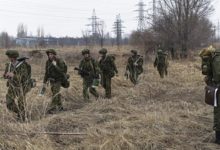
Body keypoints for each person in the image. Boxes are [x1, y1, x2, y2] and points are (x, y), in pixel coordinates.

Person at [200, 45, 220, 144]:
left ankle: (218, 139)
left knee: (218, 113)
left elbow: (206, 72)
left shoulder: (214, 55)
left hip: (218, 88)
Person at [3, 50, 30, 121]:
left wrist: (13, 76)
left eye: (11, 57)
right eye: (9, 57)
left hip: (21, 86)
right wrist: (6, 75)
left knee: (21, 102)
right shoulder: (9, 65)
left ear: (14, 57)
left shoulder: (22, 65)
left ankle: (23, 118)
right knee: (9, 102)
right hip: (12, 86)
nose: (9, 58)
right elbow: (5, 75)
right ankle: (20, 113)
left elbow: (24, 77)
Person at [43, 49, 67, 113]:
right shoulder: (48, 62)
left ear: (54, 55)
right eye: (49, 54)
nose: (50, 55)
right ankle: (60, 107)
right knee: (56, 93)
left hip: (58, 80)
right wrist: (44, 81)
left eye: (51, 54)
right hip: (52, 80)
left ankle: (52, 108)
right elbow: (46, 72)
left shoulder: (59, 61)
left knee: (55, 94)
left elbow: (62, 71)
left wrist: (55, 65)